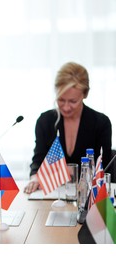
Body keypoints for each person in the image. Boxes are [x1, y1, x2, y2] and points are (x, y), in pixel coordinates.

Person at [24, 62, 112, 194]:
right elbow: (38, 161)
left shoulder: (100, 123)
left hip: (89, 196)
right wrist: (35, 177)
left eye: (72, 101)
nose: (65, 107)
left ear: (85, 94)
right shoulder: (45, 121)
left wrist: (72, 171)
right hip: (53, 195)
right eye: (61, 100)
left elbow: (105, 168)